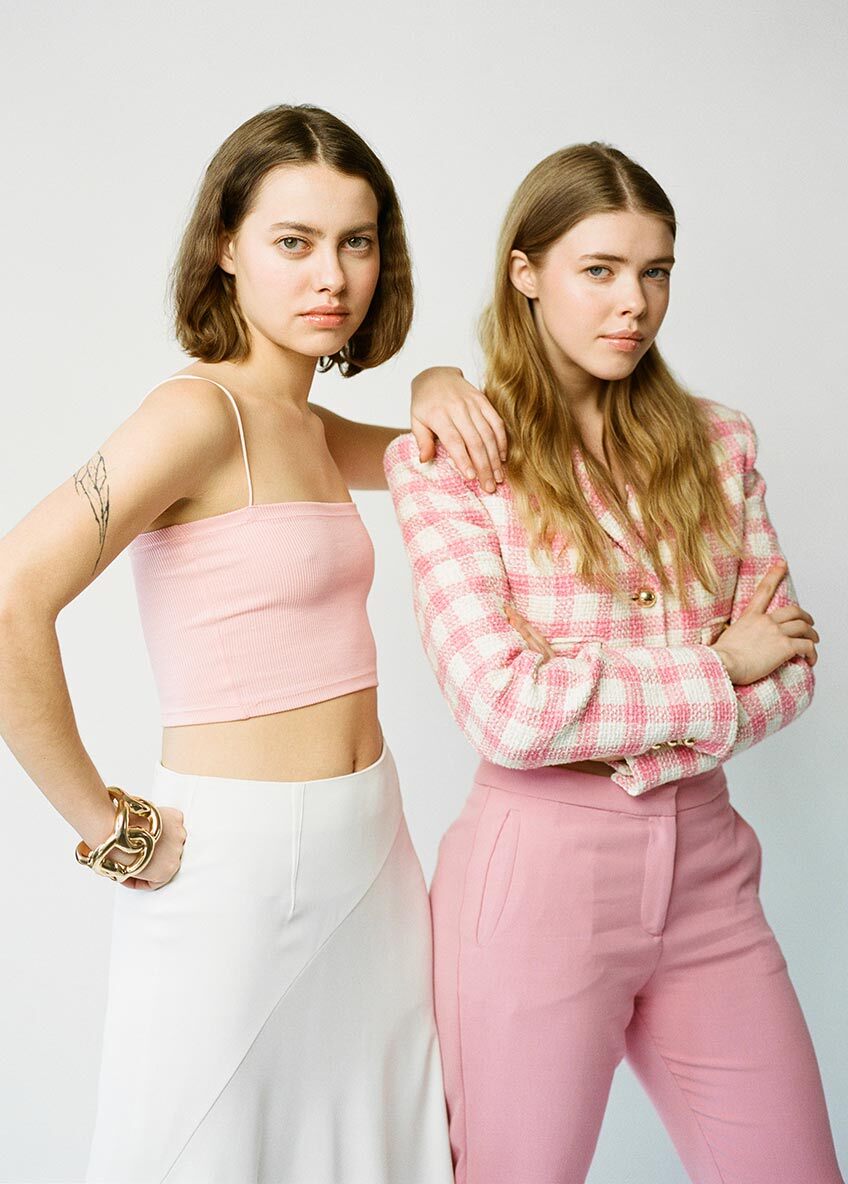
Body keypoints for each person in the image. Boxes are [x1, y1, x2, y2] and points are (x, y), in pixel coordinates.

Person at [0, 103, 506, 1184]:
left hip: (371, 852)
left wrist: (437, 381)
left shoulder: (309, 427)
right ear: (226, 246)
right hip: (237, 871)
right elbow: (10, 596)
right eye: (294, 241)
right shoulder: (197, 417)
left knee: (379, 1149)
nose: (332, 276)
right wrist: (106, 827)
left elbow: (456, 459)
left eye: (356, 242)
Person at [385, 143, 844, 1184]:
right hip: (535, 883)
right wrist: (716, 665)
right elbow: (507, 712)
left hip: (711, 873)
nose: (633, 303)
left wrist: (632, 690)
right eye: (598, 269)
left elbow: (792, 670)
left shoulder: (720, 443)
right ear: (525, 271)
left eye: (654, 270)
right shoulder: (449, 461)